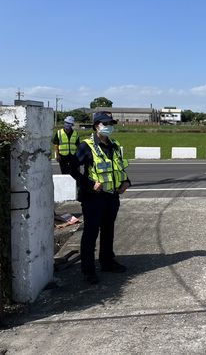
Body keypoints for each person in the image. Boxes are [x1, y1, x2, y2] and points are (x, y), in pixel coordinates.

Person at [71, 111, 131, 284]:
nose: (109, 127)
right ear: (97, 125)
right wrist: (90, 185)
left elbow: (118, 167)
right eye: (106, 124)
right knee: (91, 233)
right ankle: (88, 270)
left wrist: (126, 181)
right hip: (93, 198)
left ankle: (107, 262)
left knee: (108, 230)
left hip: (111, 197)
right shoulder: (86, 146)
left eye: (111, 124)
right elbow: (73, 169)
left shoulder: (114, 145)